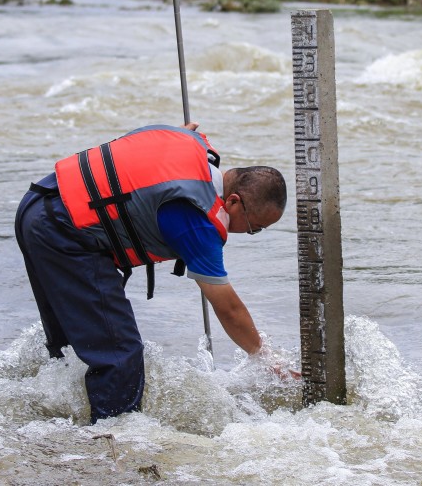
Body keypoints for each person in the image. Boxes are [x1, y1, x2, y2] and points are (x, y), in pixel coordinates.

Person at [14, 123, 288, 423]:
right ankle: (112, 441)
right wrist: (265, 358)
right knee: (121, 355)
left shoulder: (188, 140)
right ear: (233, 201)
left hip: (38, 205)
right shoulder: (195, 221)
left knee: (71, 345)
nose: (248, 232)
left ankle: (50, 422)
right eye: (253, 227)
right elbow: (228, 307)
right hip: (62, 233)